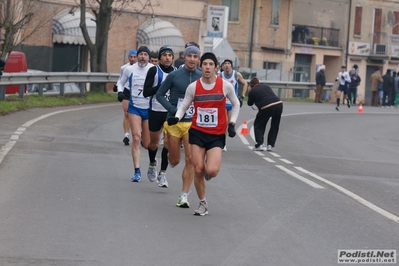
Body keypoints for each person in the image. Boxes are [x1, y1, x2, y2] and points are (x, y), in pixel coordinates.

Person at [167, 52, 239, 216]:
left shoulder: (224, 86)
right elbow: (184, 106)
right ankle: (202, 203)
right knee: (197, 169)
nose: (207, 67)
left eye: (210, 64)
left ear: (216, 68)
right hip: (198, 132)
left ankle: (208, 173)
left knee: (211, 170)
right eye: (204, 64)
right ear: (201, 67)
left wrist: (232, 123)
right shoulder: (193, 87)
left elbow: (236, 104)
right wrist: (176, 118)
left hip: (216, 135)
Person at [156, 44, 202, 208]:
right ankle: (170, 158)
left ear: (198, 59)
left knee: (190, 160)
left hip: (192, 123)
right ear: (185, 57)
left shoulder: (202, 77)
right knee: (175, 160)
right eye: (189, 56)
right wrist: (172, 109)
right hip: (175, 122)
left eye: (195, 57)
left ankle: (184, 196)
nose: (192, 59)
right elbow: (159, 94)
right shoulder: (175, 76)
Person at [118, 46, 154, 182]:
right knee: (136, 138)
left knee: (147, 143)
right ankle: (137, 171)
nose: (142, 57)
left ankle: (152, 163)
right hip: (135, 108)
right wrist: (120, 92)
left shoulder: (153, 70)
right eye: (141, 54)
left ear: (148, 57)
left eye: (145, 54)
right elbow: (121, 83)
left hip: (149, 109)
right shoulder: (129, 70)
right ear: (137, 56)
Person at [143, 46, 176, 188]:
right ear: (160, 57)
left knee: (167, 143)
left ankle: (163, 174)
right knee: (154, 143)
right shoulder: (154, 71)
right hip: (155, 110)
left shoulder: (177, 73)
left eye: (170, 55)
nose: (167, 57)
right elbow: (146, 92)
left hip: (170, 112)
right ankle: (152, 164)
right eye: (165, 55)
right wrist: (162, 87)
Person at [247, 77, 283, 152]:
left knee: (258, 125)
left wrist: (250, 92)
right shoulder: (266, 86)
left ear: (251, 85)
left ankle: (259, 144)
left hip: (266, 107)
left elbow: (249, 103)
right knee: (274, 125)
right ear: (258, 83)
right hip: (278, 104)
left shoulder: (252, 91)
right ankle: (270, 145)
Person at [220, 58, 248, 151]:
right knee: (223, 124)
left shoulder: (236, 74)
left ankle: (226, 138)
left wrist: (242, 96)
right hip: (223, 102)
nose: (227, 65)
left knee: (230, 124)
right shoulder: (220, 75)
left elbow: (245, 84)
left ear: (231, 65)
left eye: (228, 63)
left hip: (232, 103)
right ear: (223, 66)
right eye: (225, 64)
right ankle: (223, 144)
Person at [115, 49, 137, 145]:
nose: (132, 59)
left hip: (137, 93)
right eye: (130, 57)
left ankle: (138, 132)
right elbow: (121, 79)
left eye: (134, 57)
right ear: (128, 58)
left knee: (138, 115)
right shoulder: (124, 68)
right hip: (126, 91)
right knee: (126, 113)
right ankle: (126, 135)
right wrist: (117, 87)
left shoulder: (141, 68)